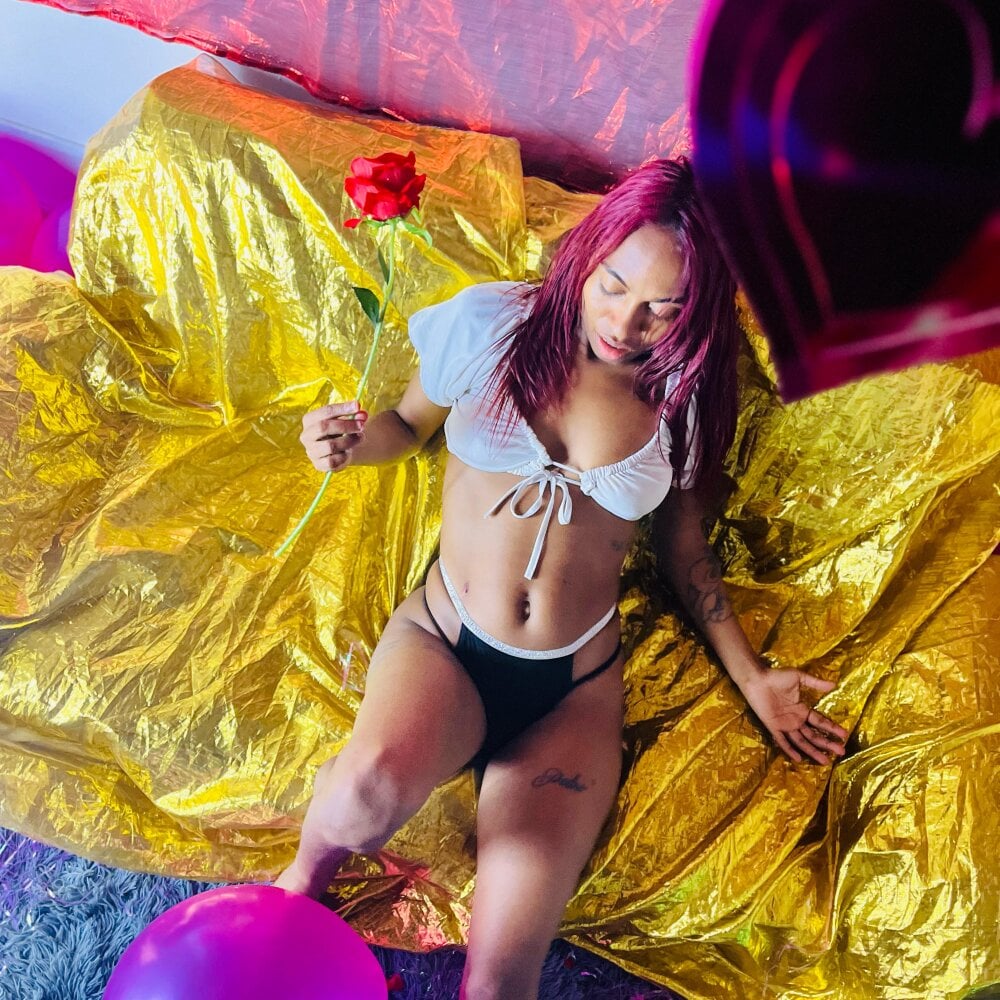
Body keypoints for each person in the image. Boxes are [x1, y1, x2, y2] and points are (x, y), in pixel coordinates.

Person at [275, 157, 848, 1000]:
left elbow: (684, 548)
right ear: (587, 254)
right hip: (446, 646)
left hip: (570, 690)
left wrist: (753, 675)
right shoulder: (489, 325)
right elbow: (402, 425)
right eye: (614, 284)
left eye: (664, 306)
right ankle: (297, 886)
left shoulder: (685, 393)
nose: (627, 321)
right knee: (362, 797)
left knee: (502, 981)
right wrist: (343, 443)